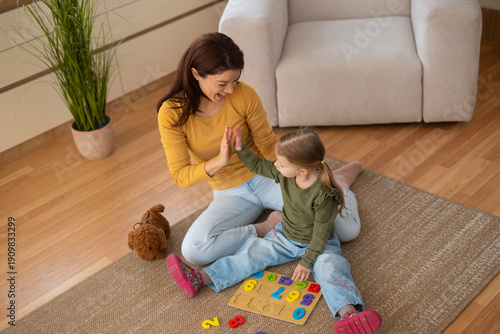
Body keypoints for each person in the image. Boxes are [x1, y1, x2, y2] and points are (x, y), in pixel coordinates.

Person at [157, 32, 363, 265]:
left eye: (235, 81)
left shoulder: (244, 95)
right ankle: (268, 226)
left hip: (267, 176)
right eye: (222, 84)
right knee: (195, 249)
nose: (231, 90)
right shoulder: (171, 113)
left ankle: (338, 184)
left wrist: (301, 180)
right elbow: (181, 176)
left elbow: (267, 144)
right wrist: (220, 161)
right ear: (196, 74)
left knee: (346, 230)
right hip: (230, 193)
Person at [166, 128, 382, 334]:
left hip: (321, 243)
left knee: (329, 268)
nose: (276, 165)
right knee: (252, 252)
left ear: (303, 170)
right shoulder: (286, 174)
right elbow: (259, 166)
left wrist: (308, 261)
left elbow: (321, 232)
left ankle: (349, 314)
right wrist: (241, 148)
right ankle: (201, 278)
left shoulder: (325, 195)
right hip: (285, 236)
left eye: (281, 163)